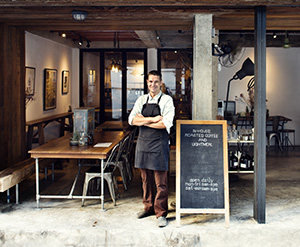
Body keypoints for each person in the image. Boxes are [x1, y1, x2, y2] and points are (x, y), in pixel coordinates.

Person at [128, 70, 175, 228]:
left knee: (160, 182)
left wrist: (143, 121)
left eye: (156, 82)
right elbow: (132, 120)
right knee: (145, 180)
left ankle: (161, 212)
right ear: (147, 83)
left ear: (160, 82)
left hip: (159, 144)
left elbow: (165, 123)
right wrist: (152, 119)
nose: (153, 84)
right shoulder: (141, 99)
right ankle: (148, 208)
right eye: (150, 82)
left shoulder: (167, 100)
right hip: (143, 144)